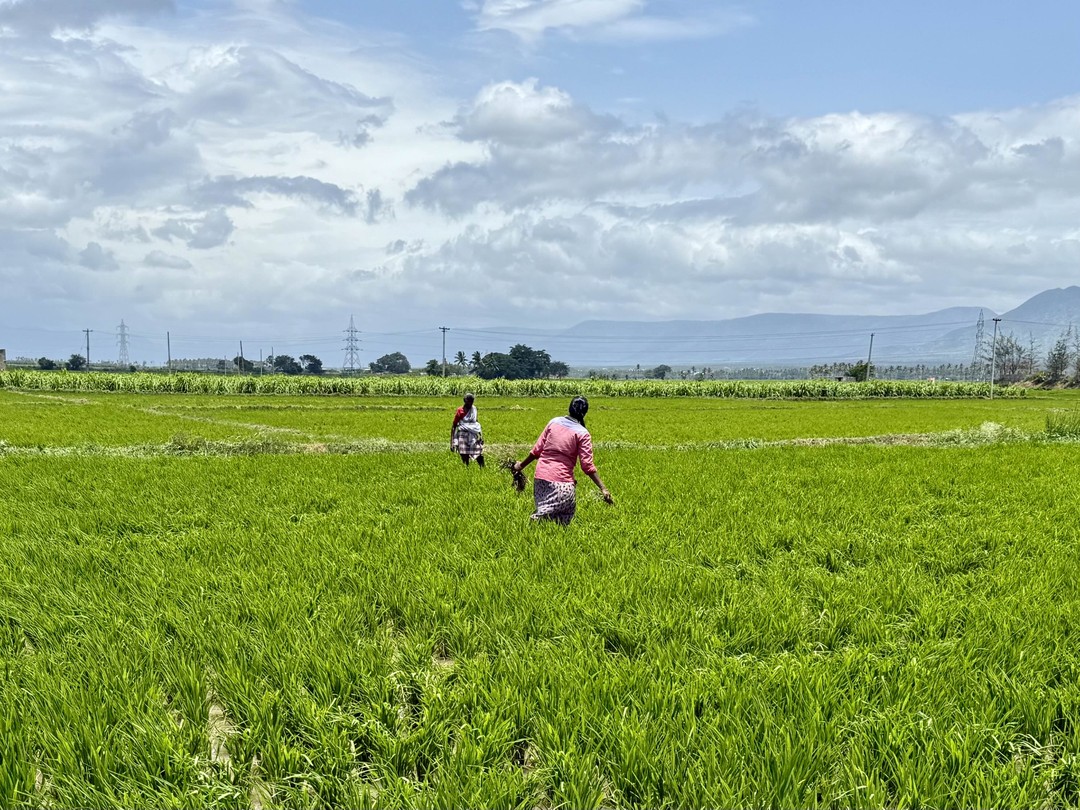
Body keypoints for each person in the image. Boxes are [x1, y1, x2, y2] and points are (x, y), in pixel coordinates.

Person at [512, 396, 612, 525]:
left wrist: (520, 466)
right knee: (562, 517)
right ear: (585, 412)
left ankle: (536, 530)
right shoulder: (583, 433)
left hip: (541, 478)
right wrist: (603, 488)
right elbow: (587, 466)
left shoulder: (554, 422)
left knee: (549, 518)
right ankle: (532, 526)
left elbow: (536, 451)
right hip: (561, 483)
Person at [451, 393, 485, 467]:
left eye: (472, 401)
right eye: (469, 401)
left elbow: (476, 423)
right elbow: (454, 425)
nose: (470, 403)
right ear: (465, 401)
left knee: (479, 453)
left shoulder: (474, 409)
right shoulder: (460, 410)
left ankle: (483, 469)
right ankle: (467, 470)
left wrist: (481, 435)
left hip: (473, 434)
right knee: (464, 455)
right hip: (462, 435)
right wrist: (452, 442)